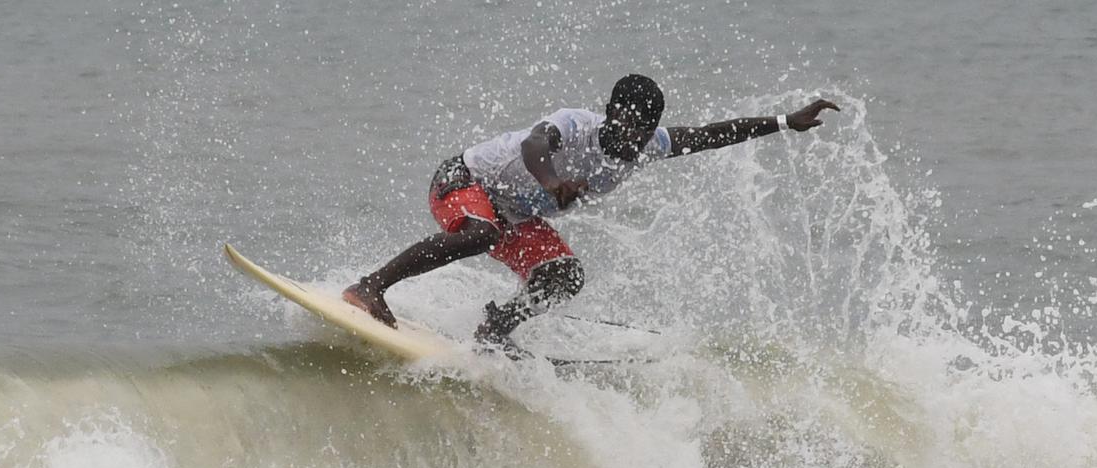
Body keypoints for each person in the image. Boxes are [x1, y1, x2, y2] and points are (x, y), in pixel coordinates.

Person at [344, 74, 839, 355]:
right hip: (462, 182)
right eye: (626, 126)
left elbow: (710, 134)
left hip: (509, 216)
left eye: (644, 131)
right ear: (609, 113)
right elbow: (536, 145)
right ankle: (370, 287)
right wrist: (554, 182)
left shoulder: (650, 144)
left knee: (564, 275)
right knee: (479, 233)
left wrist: (784, 122)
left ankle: (494, 328)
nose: (633, 139)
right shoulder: (575, 125)